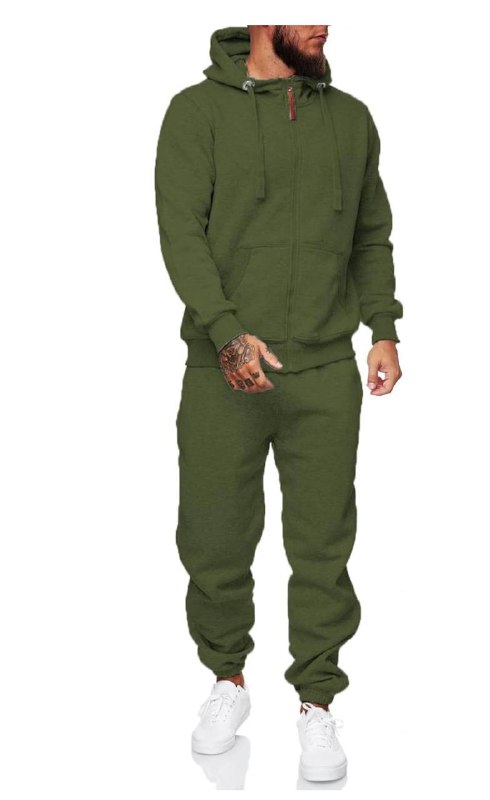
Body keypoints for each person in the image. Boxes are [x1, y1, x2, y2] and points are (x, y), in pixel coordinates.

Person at [154, 24, 403, 782]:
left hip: (324, 367)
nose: (324, 24)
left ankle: (317, 701)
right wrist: (227, 333)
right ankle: (227, 680)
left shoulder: (351, 118)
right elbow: (181, 234)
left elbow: (371, 233)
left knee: (324, 543)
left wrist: (383, 327)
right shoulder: (197, 112)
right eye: (306, 13)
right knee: (214, 536)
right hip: (221, 369)